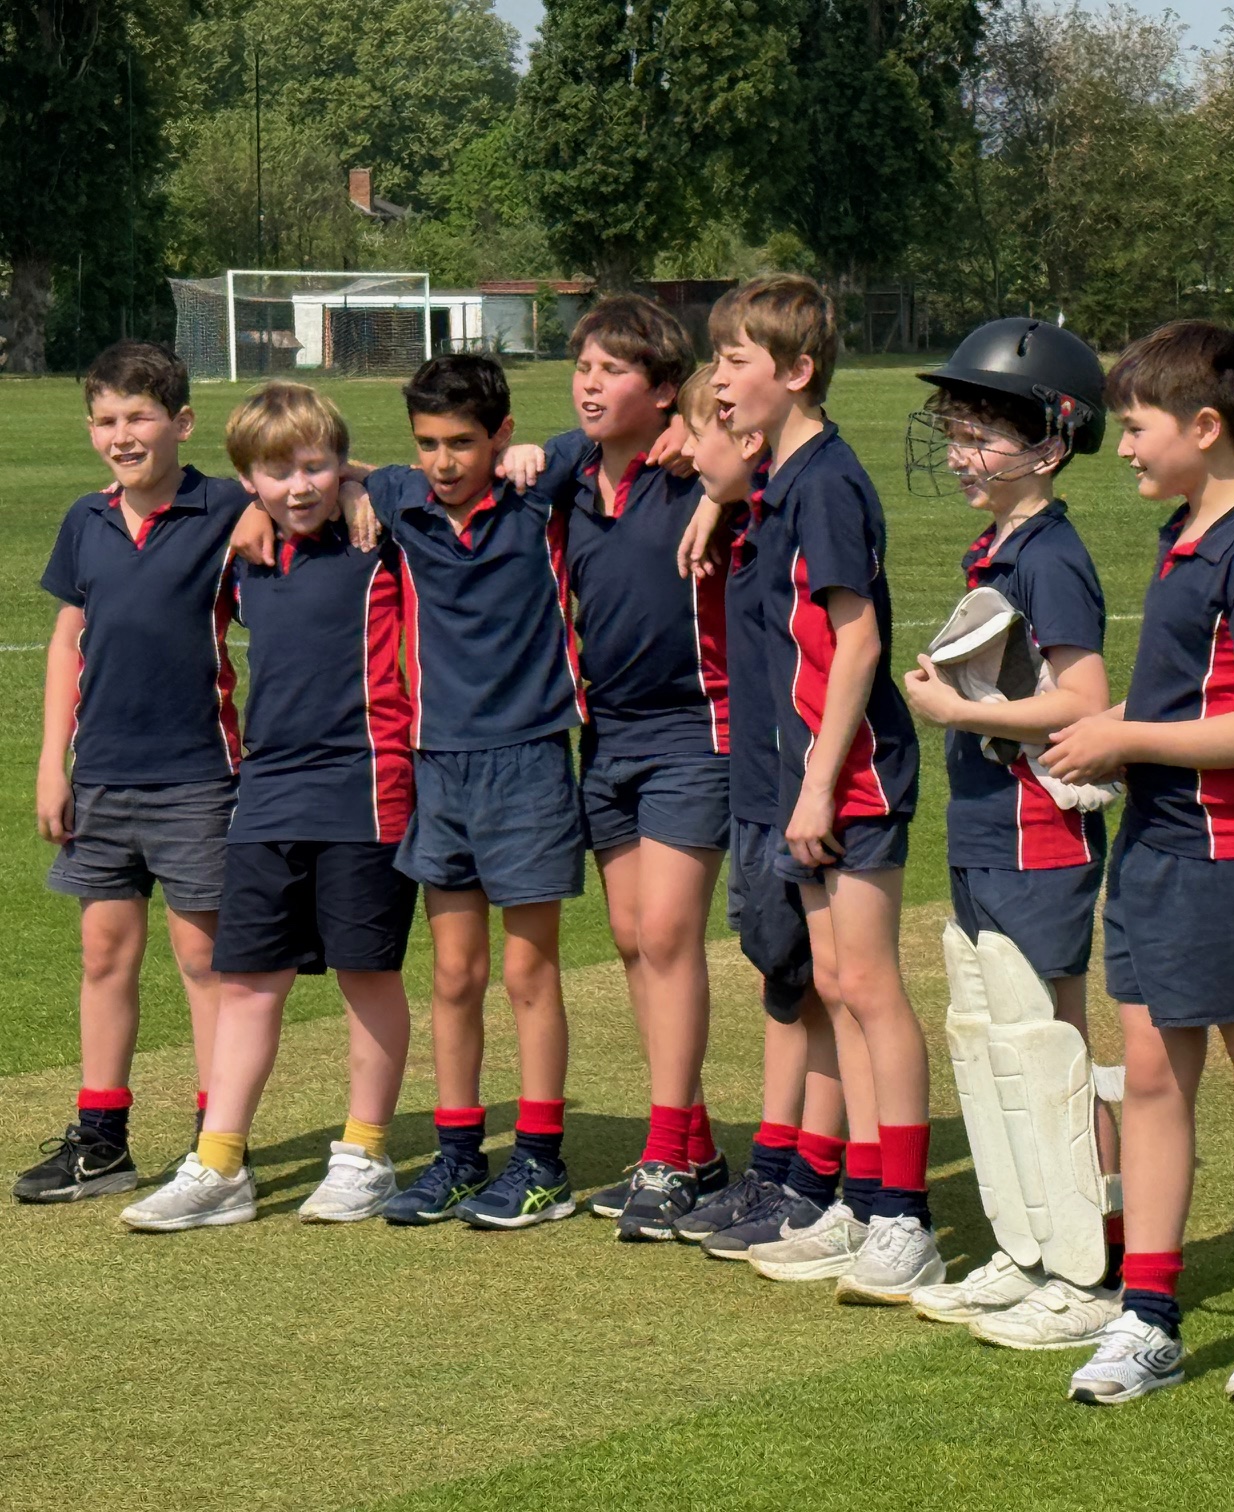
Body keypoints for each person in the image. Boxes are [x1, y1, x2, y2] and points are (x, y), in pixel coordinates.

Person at [1044, 320, 1234, 1406]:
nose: (1122, 446)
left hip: (1229, 852)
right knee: (1154, 1079)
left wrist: (1123, 737)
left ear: (1205, 426)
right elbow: (1185, 700)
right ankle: (1150, 1317)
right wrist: (1101, 733)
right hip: (1159, 848)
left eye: (1137, 426)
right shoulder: (1186, 533)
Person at [234, 354, 587, 1230]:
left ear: (501, 436)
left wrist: (538, 453)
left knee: (528, 969)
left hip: (529, 764)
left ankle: (540, 1161)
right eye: (428, 443)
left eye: (463, 442)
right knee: (456, 973)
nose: (444, 461)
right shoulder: (402, 497)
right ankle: (460, 1155)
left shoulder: (539, 489)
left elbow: (645, 434)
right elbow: (321, 472)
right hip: (438, 768)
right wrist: (265, 501)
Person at [119, 383, 416, 1230]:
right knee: (248, 979)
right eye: (278, 474)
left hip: (368, 787)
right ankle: (220, 1165)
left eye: (315, 467)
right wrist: (260, 500)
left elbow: (422, 480)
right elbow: (193, 490)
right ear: (249, 481)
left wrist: (358, 481)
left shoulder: (378, 535)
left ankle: (365, 1155)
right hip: (268, 793)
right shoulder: (242, 542)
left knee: (366, 974)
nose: (299, 486)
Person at [707, 275, 937, 1303]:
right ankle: (859, 1199)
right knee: (835, 987)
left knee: (870, 988)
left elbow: (859, 642)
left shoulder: (829, 483)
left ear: (797, 372)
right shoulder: (780, 479)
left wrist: (817, 785)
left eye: (736, 361)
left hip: (854, 780)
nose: (718, 381)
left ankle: (906, 1216)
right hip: (814, 782)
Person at [898, 318, 1127, 1349]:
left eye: (982, 434)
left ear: (1052, 441)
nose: (960, 452)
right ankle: (1030, 1249)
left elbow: (1084, 700)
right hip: (990, 824)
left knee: (1047, 1046)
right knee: (995, 1042)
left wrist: (958, 711)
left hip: (1039, 828)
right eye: (956, 431)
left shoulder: (1053, 556)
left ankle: (1091, 1272)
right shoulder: (1001, 547)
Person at [498, 295, 734, 1240]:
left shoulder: (697, 465)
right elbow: (456, 473)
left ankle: (667, 1154)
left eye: (613, 370)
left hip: (695, 733)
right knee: (635, 940)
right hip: (608, 736)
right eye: (583, 367)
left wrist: (705, 448)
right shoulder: (566, 473)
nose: (590, 384)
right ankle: (695, 1150)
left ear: (664, 389)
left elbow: (761, 445)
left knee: (669, 934)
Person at [15, 341, 250, 1204]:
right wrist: (53, 765)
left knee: (204, 962)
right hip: (101, 778)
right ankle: (102, 1142)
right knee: (103, 953)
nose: (122, 435)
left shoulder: (229, 509)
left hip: (198, 778)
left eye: (139, 417)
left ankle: (216, 1147)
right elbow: (68, 641)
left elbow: (316, 481)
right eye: (106, 421)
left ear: (181, 423)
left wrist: (346, 485)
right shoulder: (86, 519)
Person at [660, 363, 858, 1261]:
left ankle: (813, 1180)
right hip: (757, 785)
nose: (682, 449)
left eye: (699, 430)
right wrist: (716, 498)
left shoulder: (805, 499)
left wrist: (722, 493)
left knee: (817, 987)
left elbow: (851, 641)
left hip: (794, 785)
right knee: (783, 981)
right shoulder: (752, 513)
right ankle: (778, 1166)